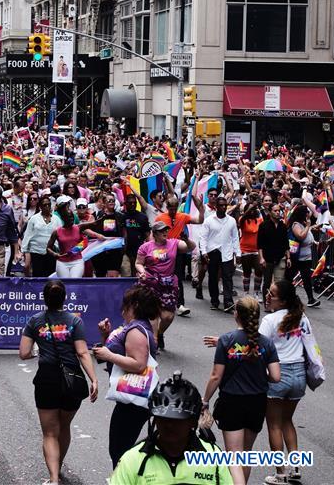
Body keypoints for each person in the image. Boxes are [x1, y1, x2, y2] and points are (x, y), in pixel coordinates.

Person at [18, 281, 98, 484]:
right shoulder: (75, 321)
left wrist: (39, 349)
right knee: (64, 426)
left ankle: (53, 478)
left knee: (50, 433)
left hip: (47, 379)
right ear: (65, 298)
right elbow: (82, 352)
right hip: (72, 380)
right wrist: (94, 379)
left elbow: (24, 353)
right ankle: (58, 466)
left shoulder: (35, 321)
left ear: (44, 298)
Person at [200, 296, 280, 484]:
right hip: (258, 402)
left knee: (233, 457)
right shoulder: (267, 343)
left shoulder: (227, 340)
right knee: (246, 454)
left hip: (232, 401)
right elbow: (276, 377)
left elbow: (215, 376)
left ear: (236, 314)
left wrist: (205, 400)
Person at [110, 371, 232, 485]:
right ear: (155, 420)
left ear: (192, 422)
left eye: (177, 420)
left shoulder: (214, 458)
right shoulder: (132, 460)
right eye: (163, 419)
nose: (169, 425)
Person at [91, 286, 161, 467]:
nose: (123, 308)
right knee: (120, 448)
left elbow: (139, 364)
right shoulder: (137, 327)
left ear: (135, 305)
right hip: (131, 400)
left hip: (133, 402)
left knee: (119, 450)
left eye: (126, 304)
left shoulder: (136, 331)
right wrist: (106, 335)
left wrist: (108, 355)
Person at [260, 280, 314, 484]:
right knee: (287, 421)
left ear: (282, 300)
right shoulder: (302, 317)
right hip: (299, 376)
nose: (267, 295)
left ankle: (280, 473)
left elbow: (258, 348)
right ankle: (295, 467)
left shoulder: (269, 320)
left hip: (277, 375)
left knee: (274, 424)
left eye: (272, 294)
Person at [135, 220, 196, 350]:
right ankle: (154, 341)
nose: (165, 232)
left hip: (168, 284)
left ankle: (159, 333)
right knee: (153, 314)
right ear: (155, 234)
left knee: (168, 316)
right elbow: (138, 263)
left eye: (166, 230)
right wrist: (142, 272)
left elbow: (191, 248)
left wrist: (187, 239)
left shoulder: (173, 243)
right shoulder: (146, 247)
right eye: (162, 231)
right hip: (151, 282)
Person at [200, 196, 241, 312]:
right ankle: (214, 300)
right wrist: (204, 252)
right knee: (213, 278)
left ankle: (228, 301)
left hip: (227, 253)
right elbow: (203, 237)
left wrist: (237, 253)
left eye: (225, 205)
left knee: (227, 277)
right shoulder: (209, 221)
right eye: (221, 205)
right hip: (213, 252)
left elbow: (235, 238)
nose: (223, 207)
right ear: (216, 207)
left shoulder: (231, 221)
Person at [286, 205, 321, 308]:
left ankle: (310, 299)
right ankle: (286, 297)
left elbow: (307, 236)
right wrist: (308, 226)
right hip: (296, 257)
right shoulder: (296, 224)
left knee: (306, 279)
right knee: (289, 278)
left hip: (306, 258)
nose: (309, 214)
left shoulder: (304, 224)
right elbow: (301, 236)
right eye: (307, 212)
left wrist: (313, 239)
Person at [257, 203, 290, 307]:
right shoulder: (264, 225)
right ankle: (267, 303)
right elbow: (260, 244)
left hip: (280, 257)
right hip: (267, 258)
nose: (277, 212)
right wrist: (261, 258)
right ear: (270, 212)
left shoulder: (283, 226)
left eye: (278, 210)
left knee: (279, 283)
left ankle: (277, 304)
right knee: (267, 282)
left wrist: (288, 257)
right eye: (275, 211)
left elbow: (286, 243)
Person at [21, 196, 61, 278]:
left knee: (51, 276)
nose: (47, 206)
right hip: (36, 252)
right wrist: (24, 251)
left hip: (52, 252)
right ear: (40, 207)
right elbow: (27, 235)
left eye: (48, 204)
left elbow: (60, 235)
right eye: (44, 205)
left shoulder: (56, 219)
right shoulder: (34, 219)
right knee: (38, 275)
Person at [48, 201, 86, 278]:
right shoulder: (57, 231)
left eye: (73, 217)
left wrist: (74, 250)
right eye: (69, 217)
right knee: (64, 284)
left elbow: (85, 242)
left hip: (77, 261)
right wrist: (55, 254)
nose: (72, 219)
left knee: (74, 282)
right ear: (63, 218)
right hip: (62, 262)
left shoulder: (78, 228)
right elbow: (48, 247)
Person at [238, 201, 263, 296]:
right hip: (245, 249)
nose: (252, 211)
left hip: (257, 249)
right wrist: (251, 207)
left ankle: (256, 292)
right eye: (250, 210)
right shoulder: (243, 220)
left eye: (254, 210)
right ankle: (246, 293)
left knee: (259, 271)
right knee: (247, 272)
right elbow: (242, 218)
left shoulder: (260, 220)